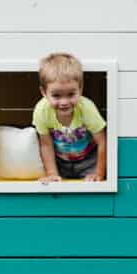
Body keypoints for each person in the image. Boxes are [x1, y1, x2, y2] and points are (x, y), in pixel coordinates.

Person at [32, 52, 107, 183]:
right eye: (56, 95)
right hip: (60, 162)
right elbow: (46, 145)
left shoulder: (86, 108)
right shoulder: (42, 111)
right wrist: (52, 173)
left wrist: (99, 173)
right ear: (44, 92)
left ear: (81, 89)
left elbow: (102, 141)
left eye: (71, 94)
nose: (64, 102)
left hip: (89, 160)